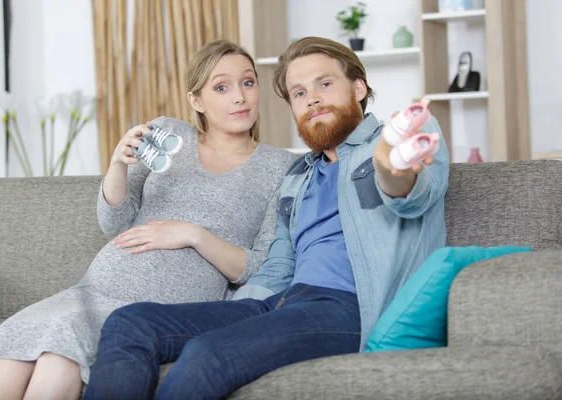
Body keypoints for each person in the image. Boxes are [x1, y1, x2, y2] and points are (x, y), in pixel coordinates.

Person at [85, 36, 450, 400]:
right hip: (281, 302)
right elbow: (276, 266)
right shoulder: (297, 176)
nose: (313, 99)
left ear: (357, 88)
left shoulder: (397, 142)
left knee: (208, 354)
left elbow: (409, 195)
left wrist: (392, 165)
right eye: (299, 93)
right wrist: (226, 314)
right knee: (130, 323)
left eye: (324, 84)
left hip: (348, 308)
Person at [0, 40, 296, 400]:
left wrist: (193, 234)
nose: (239, 96)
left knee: (58, 359)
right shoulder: (169, 135)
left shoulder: (280, 167)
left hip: (163, 307)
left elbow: (262, 267)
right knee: (10, 350)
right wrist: (117, 163)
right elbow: (114, 221)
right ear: (196, 101)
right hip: (98, 286)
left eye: (248, 82)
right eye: (221, 87)